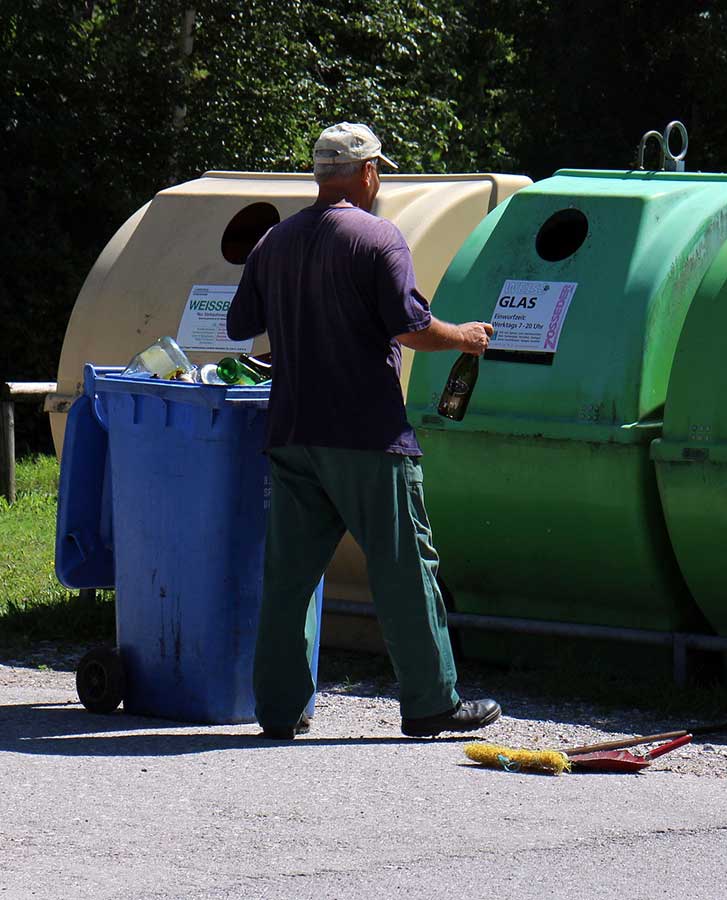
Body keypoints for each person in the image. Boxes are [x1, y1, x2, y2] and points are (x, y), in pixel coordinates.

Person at [226, 122, 500, 740]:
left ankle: (278, 709)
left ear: (321, 176)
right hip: (369, 437)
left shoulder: (274, 241)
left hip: (293, 432)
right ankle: (432, 702)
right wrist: (466, 338)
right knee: (405, 568)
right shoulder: (379, 237)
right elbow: (410, 328)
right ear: (370, 172)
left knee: (290, 578)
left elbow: (243, 322)